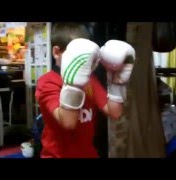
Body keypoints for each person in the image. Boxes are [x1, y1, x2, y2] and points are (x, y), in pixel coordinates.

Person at [35, 23, 135, 158]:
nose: (82, 62)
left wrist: (116, 81)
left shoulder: (90, 80)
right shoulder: (47, 82)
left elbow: (114, 112)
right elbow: (68, 122)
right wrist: (74, 84)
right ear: (56, 52)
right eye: (75, 56)